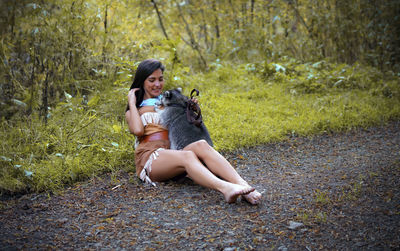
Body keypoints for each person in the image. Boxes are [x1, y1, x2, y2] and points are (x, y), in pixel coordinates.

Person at [125, 59, 262, 204]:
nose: (157, 84)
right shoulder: (135, 110)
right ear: (142, 82)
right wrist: (132, 102)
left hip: (173, 151)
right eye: (152, 80)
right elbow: (138, 130)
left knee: (201, 144)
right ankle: (226, 188)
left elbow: (186, 129)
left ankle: (244, 186)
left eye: (160, 79)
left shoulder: (169, 102)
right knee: (188, 155)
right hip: (151, 157)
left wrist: (189, 109)